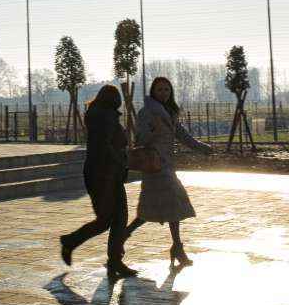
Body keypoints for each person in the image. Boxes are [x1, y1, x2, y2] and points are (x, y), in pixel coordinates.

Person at [123, 76, 212, 266]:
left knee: (154, 208)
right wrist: (152, 130)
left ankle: (126, 235)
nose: (163, 93)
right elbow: (140, 139)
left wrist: (201, 147)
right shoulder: (147, 112)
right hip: (155, 166)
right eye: (160, 90)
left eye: (166, 90)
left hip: (167, 165)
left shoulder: (169, 112)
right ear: (153, 92)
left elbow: (181, 134)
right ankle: (177, 248)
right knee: (173, 203)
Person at [59, 84, 137, 278]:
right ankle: (112, 260)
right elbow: (107, 145)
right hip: (107, 174)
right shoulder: (107, 117)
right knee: (116, 219)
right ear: (114, 100)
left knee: (109, 220)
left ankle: (77, 244)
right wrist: (121, 161)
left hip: (99, 173)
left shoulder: (96, 115)